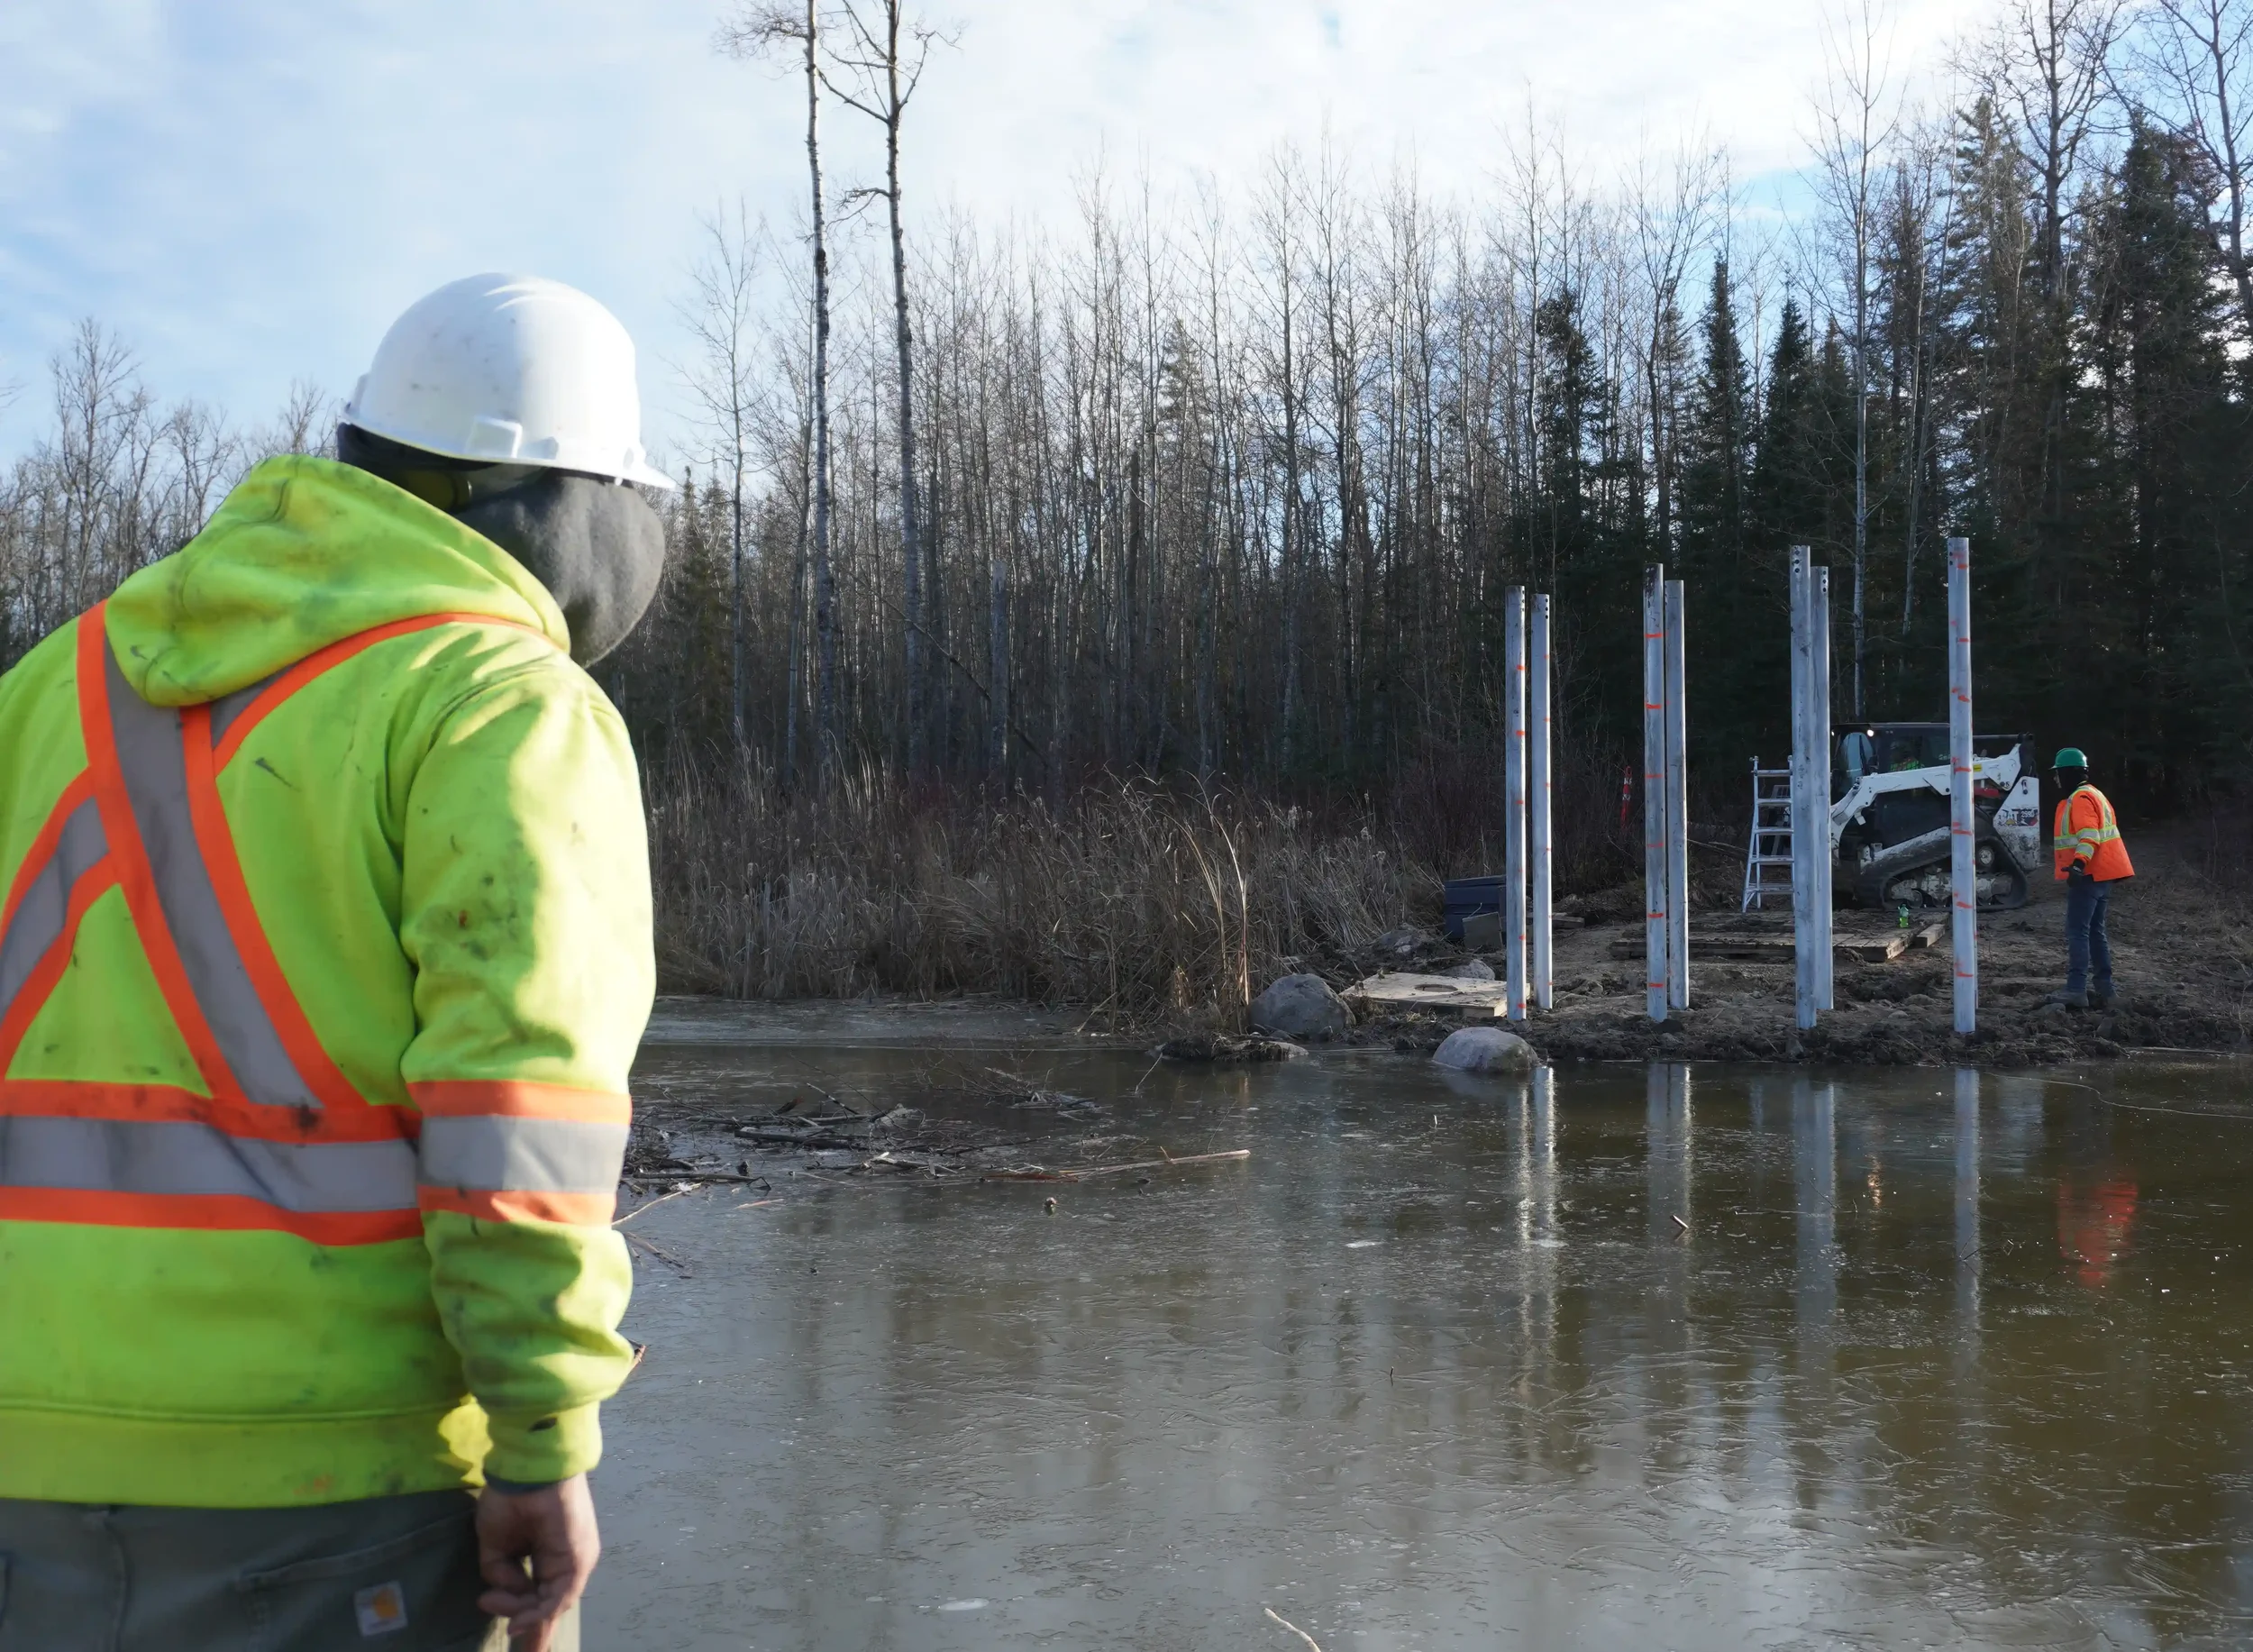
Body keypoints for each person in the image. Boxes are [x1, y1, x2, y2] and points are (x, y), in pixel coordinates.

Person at [0, 274, 670, 1650]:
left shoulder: (47, 688)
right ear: (577, 503)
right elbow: (516, 1121)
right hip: (338, 1488)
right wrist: (545, 1442)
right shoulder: (498, 704)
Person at [2045, 745, 2134, 1010]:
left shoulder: (2080, 799)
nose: (2055, 779)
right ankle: (2106, 990)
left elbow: (2090, 835)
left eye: (2058, 773)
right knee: (2095, 930)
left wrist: (2078, 865)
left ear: (2069, 773)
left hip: (2091, 873)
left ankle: (2076, 989)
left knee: (2078, 930)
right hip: (2103, 872)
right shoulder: (2094, 794)